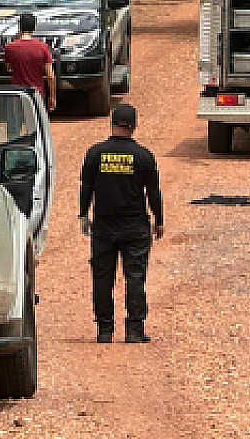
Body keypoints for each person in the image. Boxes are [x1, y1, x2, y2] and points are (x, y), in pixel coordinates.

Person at [79, 103, 164, 344]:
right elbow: (153, 192)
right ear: (134, 126)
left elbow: (86, 186)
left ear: (112, 123)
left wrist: (83, 214)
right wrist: (159, 221)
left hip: (104, 226)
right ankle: (134, 330)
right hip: (135, 226)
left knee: (102, 278)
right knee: (135, 277)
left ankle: (105, 331)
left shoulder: (95, 153)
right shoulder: (143, 156)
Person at [3, 13, 57, 111]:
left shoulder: (9, 47)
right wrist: (52, 96)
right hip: (37, 94)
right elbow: (50, 76)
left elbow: (9, 68)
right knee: (38, 124)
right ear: (34, 27)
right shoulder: (42, 47)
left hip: (18, 94)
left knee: (16, 124)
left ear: (20, 26)